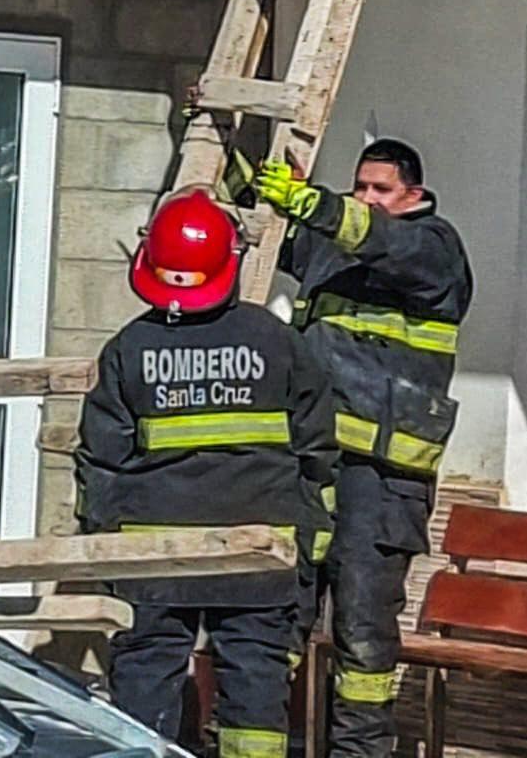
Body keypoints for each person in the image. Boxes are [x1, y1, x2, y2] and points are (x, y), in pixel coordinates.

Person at [75, 188, 338, 758]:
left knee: (145, 680)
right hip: (258, 551)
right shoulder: (278, 342)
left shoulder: (130, 347)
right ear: (229, 262)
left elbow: (101, 459)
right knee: (256, 685)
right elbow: (319, 451)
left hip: (155, 555)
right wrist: (311, 541)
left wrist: (101, 545)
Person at [257, 139, 472, 758]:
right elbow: (279, 231)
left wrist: (315, 203)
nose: (368, 200)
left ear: (414, 194)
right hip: (311, 465)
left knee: (362, 629)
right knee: (277, 616)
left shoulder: (434, 248)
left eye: (381, 190)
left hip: (383, 478)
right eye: (360, 188)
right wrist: (246, 166)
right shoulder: (332, 249)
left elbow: (385, 243)